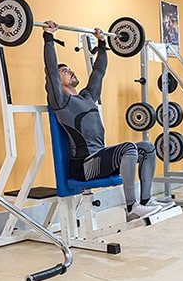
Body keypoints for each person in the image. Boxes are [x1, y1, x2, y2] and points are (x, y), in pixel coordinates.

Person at [42, 20, 172, 222]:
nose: (71, 71)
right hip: (84, 165)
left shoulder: (87, 96)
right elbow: (51, 71)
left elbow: (99, 72)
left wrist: (102, 44)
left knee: (147, 148)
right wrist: (49, 37)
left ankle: (146, 201)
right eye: (65, 70)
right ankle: (131, 208)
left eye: (70, 68)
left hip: (99, 158)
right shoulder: (61, 101)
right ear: (57, 81)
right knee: (128, 148)